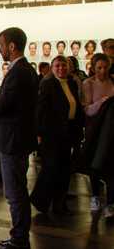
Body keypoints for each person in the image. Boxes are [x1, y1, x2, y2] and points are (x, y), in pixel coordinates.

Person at [0, 27, 38, 249]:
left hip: (12, 140)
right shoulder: (25, 70)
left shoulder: (18, 73)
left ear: (12, 46)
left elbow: (5, 105)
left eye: (1, 45)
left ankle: (19, 241)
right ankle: (19, 237)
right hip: (17, 138)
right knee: (16, 190)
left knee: (14, 192)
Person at [30, 56, 84, 215]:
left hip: (69, 133)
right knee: (51, 168)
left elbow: (76, 106)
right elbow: (41, 110)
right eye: (58, 65)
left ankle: (60, 204)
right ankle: (40, 200)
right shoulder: (48, 84)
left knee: (65, 170)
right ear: (53, 68)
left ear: (69, 67)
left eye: (64, 65)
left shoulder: (72, 84)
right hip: (52, 134)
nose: (61, 68)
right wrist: (39, 133)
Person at [82, 53, 114, 216]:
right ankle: (95, 196)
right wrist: (104, 102)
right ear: (93, 68)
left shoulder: (112, 81)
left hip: (111, 131)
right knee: (95, 164)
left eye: (105, 67)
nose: (102, 71)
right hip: (95, 130)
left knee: (111, 166)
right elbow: (87, 109)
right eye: (99, 68)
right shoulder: (88, 83)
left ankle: (110, 202)